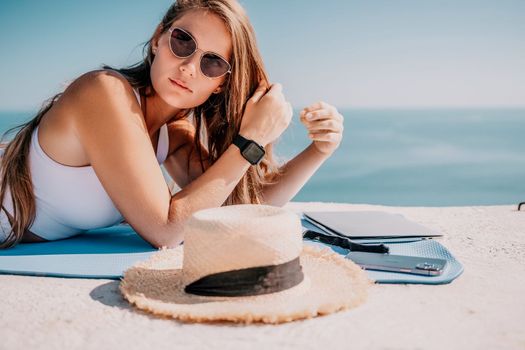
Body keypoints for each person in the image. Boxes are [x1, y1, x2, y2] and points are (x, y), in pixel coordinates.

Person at [0, 0, 344, 249]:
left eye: (212, 63)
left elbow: (240, 209)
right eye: (183, 42)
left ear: (221, 83)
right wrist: (249, 140)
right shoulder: (103, 92)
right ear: (157, 38)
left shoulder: (172, 136)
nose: (190, 67)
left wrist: (318, 151)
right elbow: (165, 230)